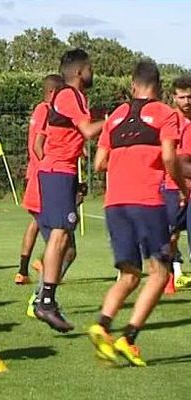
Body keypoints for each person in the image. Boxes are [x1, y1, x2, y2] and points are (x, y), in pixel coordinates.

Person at [88, 60, 186, 366]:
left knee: (130, 274)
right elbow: (169, 157)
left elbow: (98, 163)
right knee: (160, 271)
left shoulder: (115, 115)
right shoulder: (166, 114)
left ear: (133, 85)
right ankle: (128, 338)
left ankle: (101, 325)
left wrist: (126, 160)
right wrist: (182, 187)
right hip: (147, 200)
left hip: (114, 203)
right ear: (158, 86)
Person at [34, 49, 104, 332]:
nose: (92, 72)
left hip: (62, 172)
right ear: (79, 71)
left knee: (62, 237)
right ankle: (45, 302)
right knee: (60, 235)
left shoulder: (76, 98)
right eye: (90, 67)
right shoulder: (68, 95)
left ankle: (46, 300)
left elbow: (75, 131)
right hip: (58, 171)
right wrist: (116, 120)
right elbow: (88, 130)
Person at [16, 74, 64, 285]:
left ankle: (24, 270)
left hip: (35, 172)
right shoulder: (47, 111)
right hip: (44, 174)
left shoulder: (38, 110)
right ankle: (45, 267)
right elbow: (39, 144)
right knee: (52, 225)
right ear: (53, 93)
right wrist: (49, 166)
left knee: (36, 221)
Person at [164, 76, 191, 287]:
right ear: (174, 97)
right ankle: (168, 276)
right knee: (171, 235)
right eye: (182, 97)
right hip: (173, 188)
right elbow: (175, 160)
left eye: (190, 97)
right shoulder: (170, 120)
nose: (187, 101)